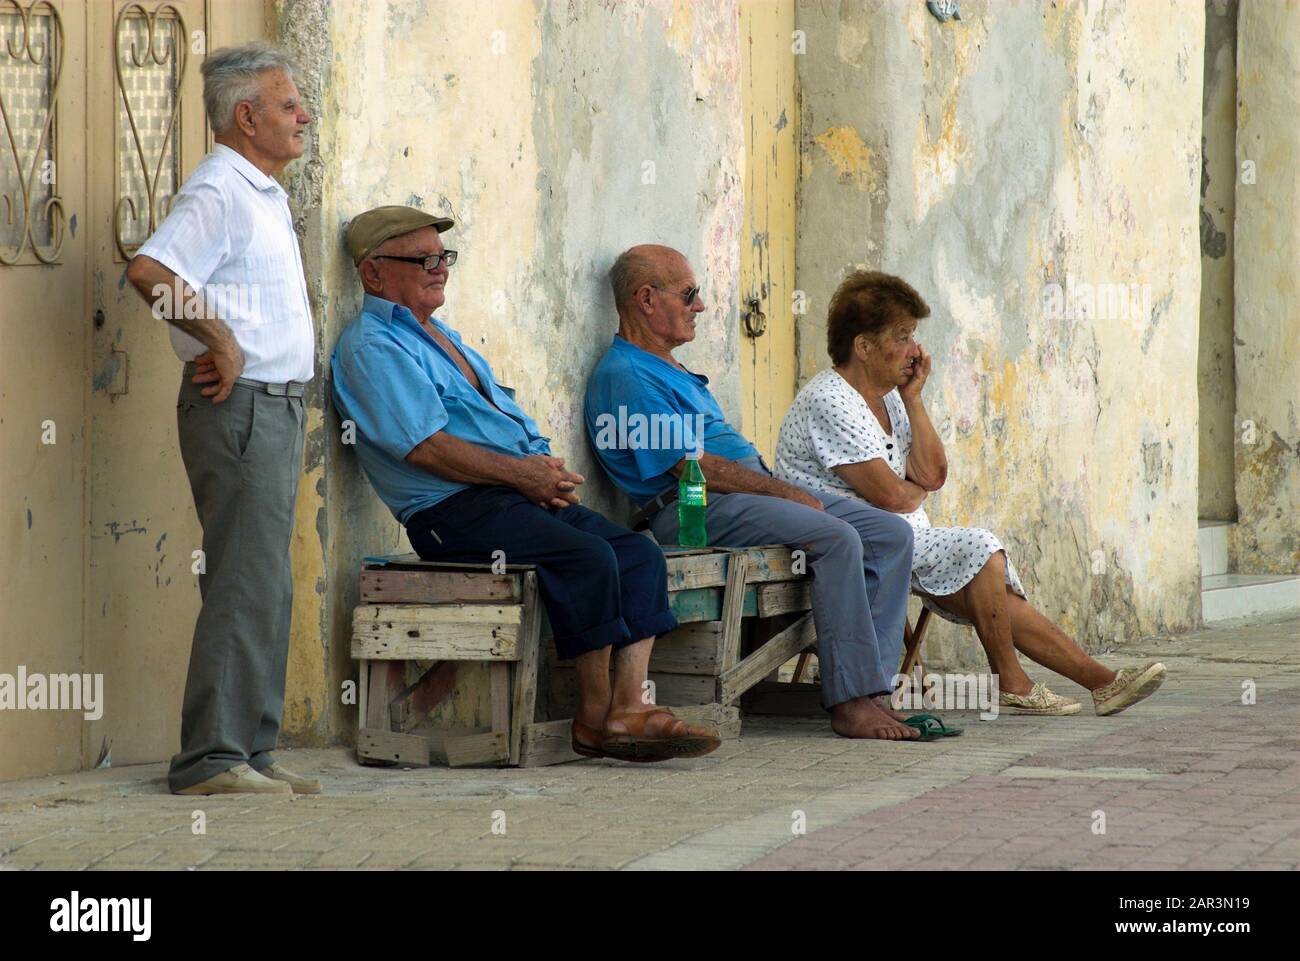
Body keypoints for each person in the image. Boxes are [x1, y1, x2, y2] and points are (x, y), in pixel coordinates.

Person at [330, 208, 720, 762]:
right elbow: (426, 448)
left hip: (511, 493)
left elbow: (502, 418)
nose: (439, 269)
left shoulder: (440, 335)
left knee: (637, 553)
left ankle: (628, 706)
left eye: (443, 257)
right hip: (450, 511)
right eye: (422, 260)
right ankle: (592, 718)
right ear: (373, 274)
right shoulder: (371, 346)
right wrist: (523, 474)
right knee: (588, 557)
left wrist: (544, 468)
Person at [774, 269, 1167, 717]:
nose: (915, 351)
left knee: (984, 560)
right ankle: (1056, 682)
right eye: (901, 337)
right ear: (862, 346)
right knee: (981, 556)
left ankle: (1079, 683)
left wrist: (915, 400)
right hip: (852, 540)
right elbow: (892, 498)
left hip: (899, 536)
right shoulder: (831, 399)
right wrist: (911, 491)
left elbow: (932, 475)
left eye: (913, 336)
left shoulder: (890, 398)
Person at [585, 244, 928, 741]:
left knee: (891, 534)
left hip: (746, 495)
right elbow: (690, 465)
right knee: (837, 538)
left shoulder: (667, 367)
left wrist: (779, 491)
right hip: (694, 506)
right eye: (689, 294)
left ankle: (872, 689)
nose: (699, 306)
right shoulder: (625, 374)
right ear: (645, 298)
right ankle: (851, 702)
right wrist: (784, 494)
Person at [125, 43, 319, 795]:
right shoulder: (221, 188)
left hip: (274, 407)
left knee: (266, 579)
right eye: (288, 104)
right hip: (238, 409)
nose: (303, 115)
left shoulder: (261, 191)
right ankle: (212, 757)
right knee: (242, 577)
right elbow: (150, 272)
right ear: (247, 116)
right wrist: (221, 339)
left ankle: (250, 749)